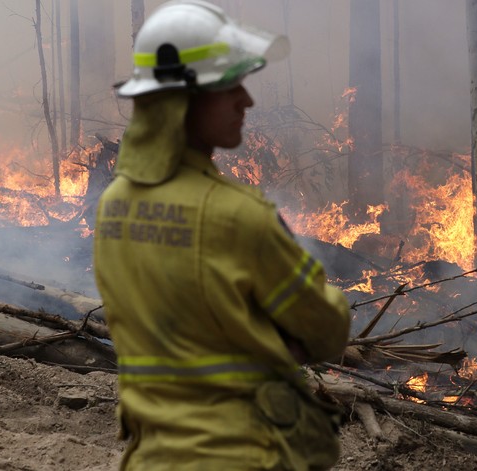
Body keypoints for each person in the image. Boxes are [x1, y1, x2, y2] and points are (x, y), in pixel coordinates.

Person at [92, 1, 351, 469]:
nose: (245, 101)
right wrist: (271, 337)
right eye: (229, 86)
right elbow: (326, 331)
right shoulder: (240, 216)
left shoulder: (113, 207)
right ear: (182, 101)